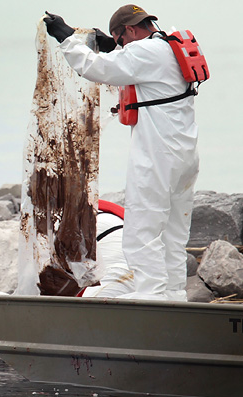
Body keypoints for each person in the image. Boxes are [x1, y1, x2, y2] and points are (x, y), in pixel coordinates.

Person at [43, 5, 199, 301]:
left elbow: (96, 69)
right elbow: (132, 63)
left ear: (129, 30)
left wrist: (66, 38)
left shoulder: (144, 53)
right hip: (186, 157)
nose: (122, 47)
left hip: (158, 157)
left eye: (121, 40)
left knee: (142, 233)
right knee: (174, 234)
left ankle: (151, 299)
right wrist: (113, 47)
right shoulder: (169, 46)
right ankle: (174, 296)